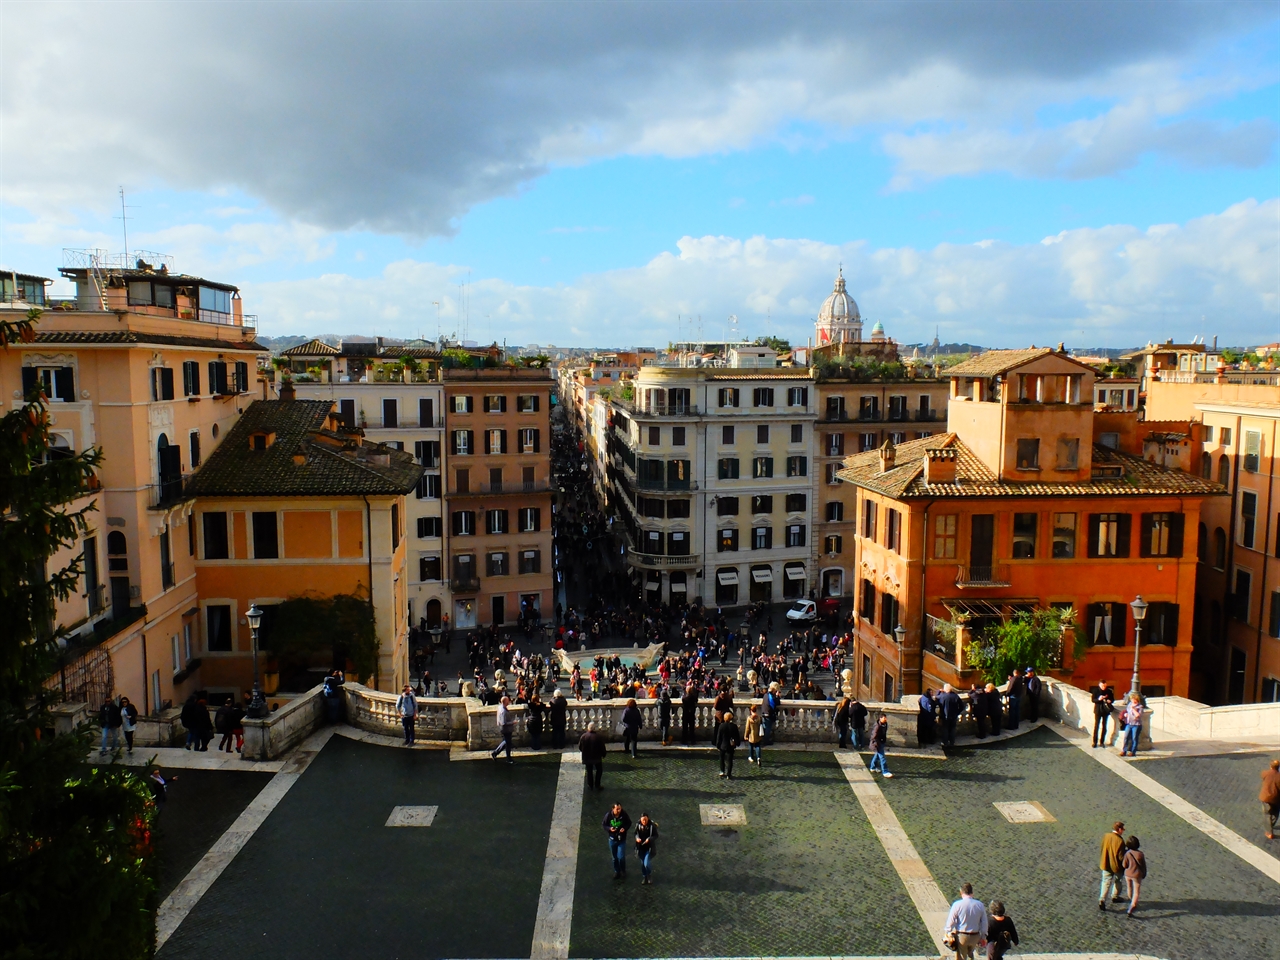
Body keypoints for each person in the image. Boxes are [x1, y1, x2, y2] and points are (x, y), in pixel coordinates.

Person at [944, 883, 988, 960]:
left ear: (961, 892)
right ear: (972, 892)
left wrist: (948, 932)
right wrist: (983, 936)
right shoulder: (980, 905)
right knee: (970, 953)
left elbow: (951, 921)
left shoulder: (957, 904)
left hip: (962, 936)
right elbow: (984, 922)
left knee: (960, 956)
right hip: (975, 936)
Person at [1098, 821, 1126, 909]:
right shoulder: (1120, 841)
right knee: (1118, 881)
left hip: (1106, 863)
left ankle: (1102, 899)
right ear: (1120, 829)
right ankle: (1115, 896)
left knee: (1105, 882)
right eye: (1123, 829)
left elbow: (1102, 847)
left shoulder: (1106, 836)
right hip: (1117, 866)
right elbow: (1121, 857)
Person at [604, 802, 632, 879]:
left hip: (621, 839)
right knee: (614, 857)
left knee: (621, 857)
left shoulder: (624, 815)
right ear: (613, 809)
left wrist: (624, 828)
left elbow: (629, 823)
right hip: (612, 839)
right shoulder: (608, 815)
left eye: (620, 808)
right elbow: (604, 825)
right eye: (617, 809)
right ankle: (617, 871)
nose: (619, 810)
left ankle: (623, 870)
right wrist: (610, 829)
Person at [1122, 836, 1146, 917]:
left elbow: (1124, 865)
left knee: (1129, 887)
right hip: (1137, 875)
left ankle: (1130, 899)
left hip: (1127, 874)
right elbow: (1143, 866)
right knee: (1136, 892)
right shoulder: (1140, 854)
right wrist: (1144, 873)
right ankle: (1132, 906)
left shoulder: (1127, 853)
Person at [579, 721, 606, 790]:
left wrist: (584, 752)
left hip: (587, 757)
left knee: (589, 771)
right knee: (599, 770)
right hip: (597, 757)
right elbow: (602, 747)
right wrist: (603, 754)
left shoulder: (583, 736)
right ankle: (597, 784)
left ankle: (590, 785)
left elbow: (580, 747)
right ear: (594, 728)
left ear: (588, 728)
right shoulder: (598, 737)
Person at [1090, 679, 1116, 748]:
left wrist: (1110, 701)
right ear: (1099, 685)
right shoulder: (1095, 691)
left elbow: (1113, 699)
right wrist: (1099, 699)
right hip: (1098, 710)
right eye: (1102, 686)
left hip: (1105, 711)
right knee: (1096, 726)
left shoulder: (1109, 691)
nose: (1104, 687)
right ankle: (1094, 742)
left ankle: (1102, 742)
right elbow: (1093, 700)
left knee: (1104, 726)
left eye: (1105, 686)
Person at [715, 710, 740, 779]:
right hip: (731, 746)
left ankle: (722, 771)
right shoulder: (734, 726)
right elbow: (737, 736)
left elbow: (719, 737)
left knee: (722, 758)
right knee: (730, 760)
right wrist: (737, 743)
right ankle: (729, 774)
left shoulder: (721, 726)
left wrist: (717, 745)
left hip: (723, 745)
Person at [634, 813, 658, 885]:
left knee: (646, 863)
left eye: (645, 820)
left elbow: (656, 835)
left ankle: (649, 874)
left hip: (648, 848)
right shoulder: (638, 825)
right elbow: (635, 833)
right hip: (640, 847)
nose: (644, 821)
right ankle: (645, 876)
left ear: (647, 819)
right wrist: (637, 838)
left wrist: (650, 839)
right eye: (642, 820)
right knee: (642, 864)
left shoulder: (651, 826)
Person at [491, 695, 515, 763]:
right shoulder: (503, 711)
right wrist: (513, 722)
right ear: (505, 702)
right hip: (506, 729)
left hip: (504, 729)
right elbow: (503, 722)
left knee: (506, 742)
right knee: (507, 743)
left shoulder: (500, 707)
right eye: (508, 701)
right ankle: (508, 758)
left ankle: (496, 753)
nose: (509, 702)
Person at [1260, 758, 1280, 840]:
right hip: (1276, 799)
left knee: (1267, 814)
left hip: (1266, 797)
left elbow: (1262, 776)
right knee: (1275, 813)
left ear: (1270, 766)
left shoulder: (1265, 773)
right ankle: (1271, 824)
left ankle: (1269, 832)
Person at [868, 713, 892, 778]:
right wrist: (875, 744)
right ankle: (885, 771)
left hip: (881, 741)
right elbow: (874, 736)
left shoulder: (885, 724)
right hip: (877, 743)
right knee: (882, 757)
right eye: (884, 718)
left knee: (877, 755)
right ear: (880, 718)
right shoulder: (877, 726)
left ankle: (872, 767)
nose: (885, 719)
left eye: (885, 718)